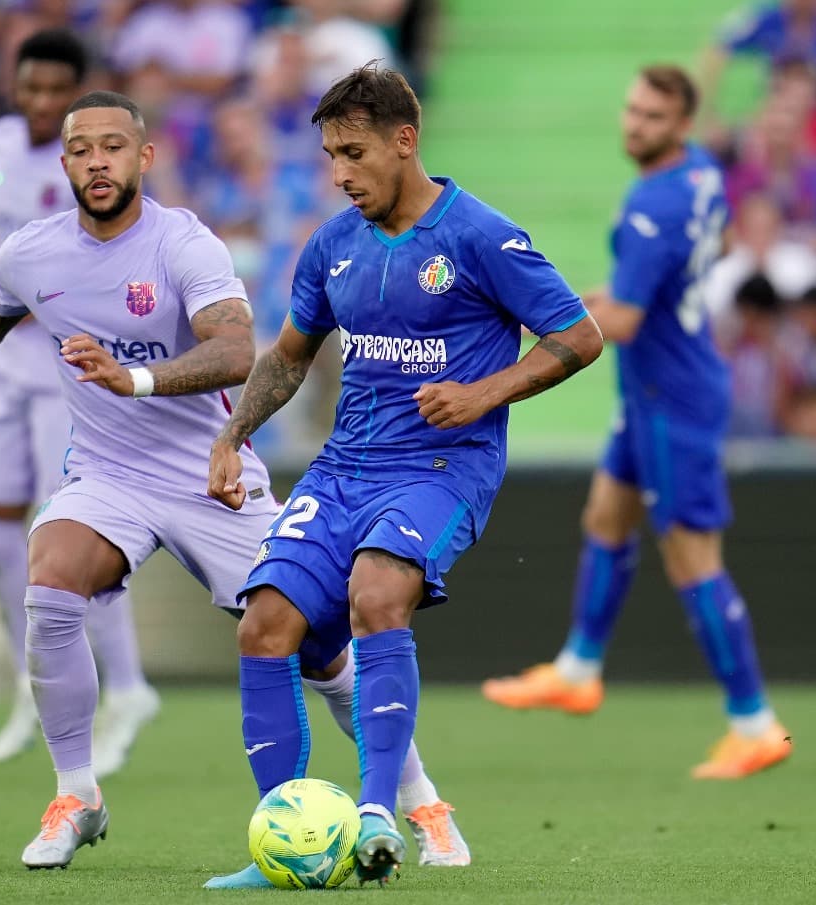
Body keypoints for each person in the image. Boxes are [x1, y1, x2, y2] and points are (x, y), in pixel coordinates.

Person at [0, 89, 467, 873]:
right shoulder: (33, 252)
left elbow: (233, 352)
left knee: (319, 644)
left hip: (208, 471)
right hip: (108, 474)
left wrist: (136, 379)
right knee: (48, 578)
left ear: (144, 157)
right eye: (82, 149)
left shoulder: (184, 245)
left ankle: (421, 800)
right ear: (65, 164)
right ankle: (76, 795)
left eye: (113, 147)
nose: (97, 162)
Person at [205, 63, 602, 887]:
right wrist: (234, 434)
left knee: (377, 594)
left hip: (443, 465)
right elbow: (287, 357)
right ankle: (287, 833)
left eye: (354, 152)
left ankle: (380, 814)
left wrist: (484, 392)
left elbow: (579, 334)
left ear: (405, 140)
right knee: (265, 621)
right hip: (346, 464)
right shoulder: (332, 246)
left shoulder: (480, 236)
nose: (341, 174)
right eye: (330, 157)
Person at [481, 65, 795, 781]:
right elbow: (635, 293)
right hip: (660, 383)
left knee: (693, 559)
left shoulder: (654, 203)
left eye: (653, 117)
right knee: (605, 517)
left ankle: (755, 723)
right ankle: (578, 667)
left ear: (680, 125)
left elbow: (619, 319)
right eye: (631, 110)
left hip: (671, 397)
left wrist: (529, 316)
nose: (635, 124)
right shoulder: (701, 173)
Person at [0, 28, 160, 771]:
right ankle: (33, 674)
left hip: (68, 365)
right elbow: (4, 231)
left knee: (77, 533)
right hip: (5, 361)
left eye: (58, 91)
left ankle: (129, 687)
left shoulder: (101, 161)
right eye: (32, 89)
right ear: (14, 90)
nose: (43, 103)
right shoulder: (2, 144)